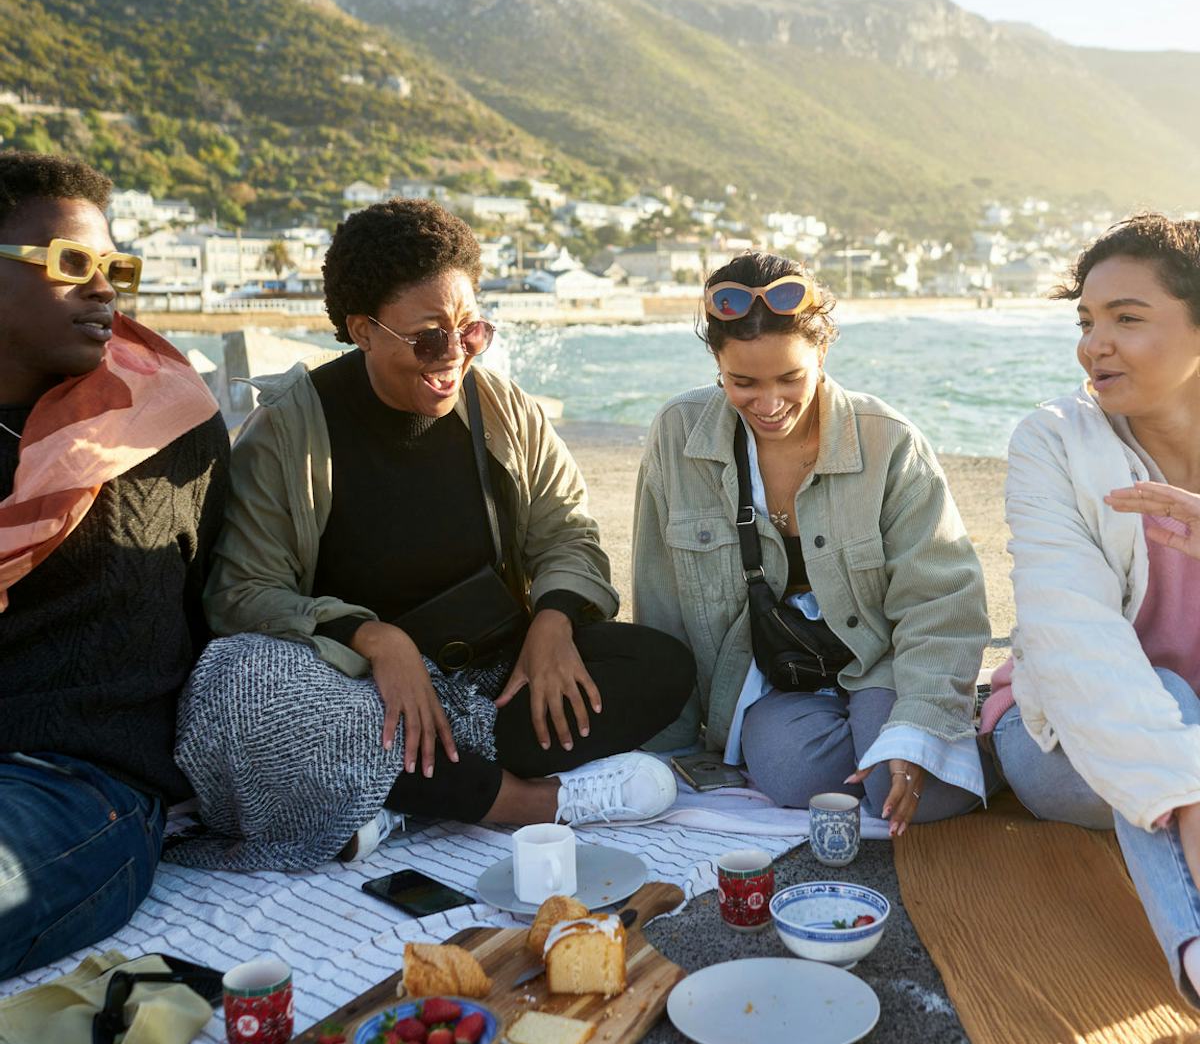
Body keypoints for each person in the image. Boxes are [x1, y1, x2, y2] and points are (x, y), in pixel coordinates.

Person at [173, 198, 694, 870]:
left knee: (657, 664)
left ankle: (401, 797)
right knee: (238, 682)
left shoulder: (503, 410)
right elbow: (242, 591)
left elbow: (567, 530)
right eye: (428, 338)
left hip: (489, 682)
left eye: (472, 331)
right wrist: (374, 638)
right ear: (363, 330)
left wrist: (555, 620)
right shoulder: (291, 430)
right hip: (358, 695)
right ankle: (531, 802)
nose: (454, 356)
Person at [632, 252, 995, 835]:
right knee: (790, 777)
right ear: (715, 363)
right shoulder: (677, 432)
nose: (769, 404)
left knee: (900, 787)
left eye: (790, 379)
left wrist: (922, 723)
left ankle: (981, 734)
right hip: (776, 676)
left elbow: (942, 599)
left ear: (822, 353)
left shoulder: (891, 443)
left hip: (882, 658)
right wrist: (672, 752)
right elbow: (660, 597)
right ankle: (870, 735)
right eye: (742, 383)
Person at [0, 151, 229, 979]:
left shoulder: (162, 429)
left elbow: (221, 600)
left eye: (114, 266)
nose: (105, 289)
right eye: (71, 265)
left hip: (79, 784)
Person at [981, 212, 1200, 1003]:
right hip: (1057, 734)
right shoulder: (1054, 442)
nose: (1091, 345)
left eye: (1127, 319)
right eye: (1086, 321)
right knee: (1169, 703)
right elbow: (1074, 647)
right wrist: (1189, 789)